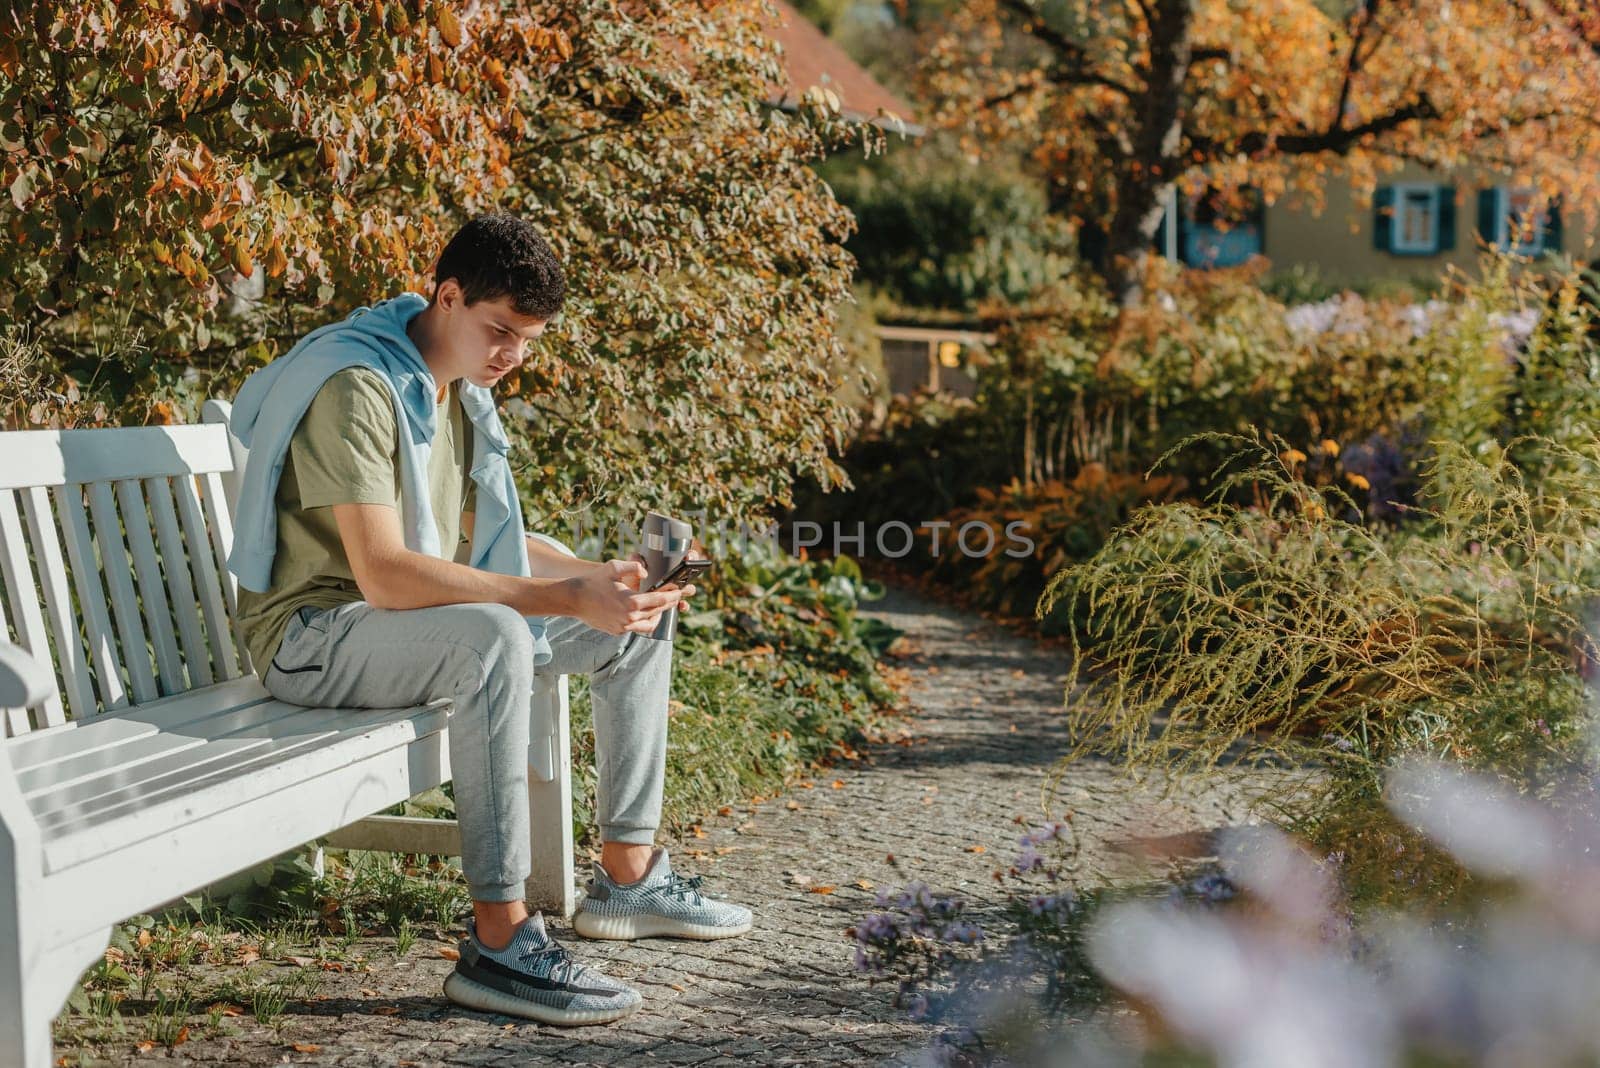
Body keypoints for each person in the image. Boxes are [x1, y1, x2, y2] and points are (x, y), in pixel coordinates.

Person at [224, 213, 752, 1027]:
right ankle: (501, 943)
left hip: (397, 634)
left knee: (636, 622)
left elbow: (482, 546)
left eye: (529, 339)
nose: (512, 354)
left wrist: (594, 578)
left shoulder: (457, 392)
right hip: (314, 638)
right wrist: (561, 599)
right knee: (499, 634)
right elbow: (388, 574)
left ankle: (631, 877)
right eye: (499, 330)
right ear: (446, 295)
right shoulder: (360, 387)